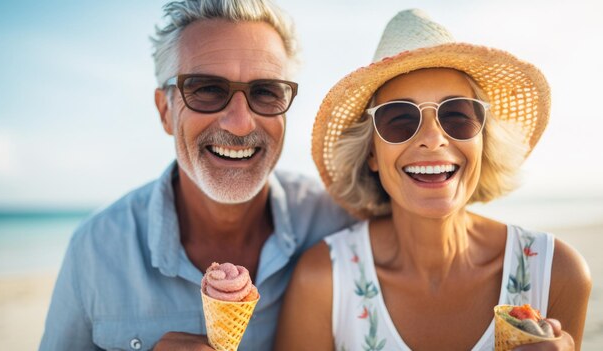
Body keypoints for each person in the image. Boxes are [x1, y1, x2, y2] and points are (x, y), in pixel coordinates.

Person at [39, 1, 355, 350]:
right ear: (164, 111)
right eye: (207, 89)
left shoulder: (336, 226)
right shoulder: (96, 251)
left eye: (265, 92)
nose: (239, 122)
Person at [275, 9, 591, 351]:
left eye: (457, 116)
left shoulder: (557, 272)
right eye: (399, 119)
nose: (433, 138)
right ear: (370, 153)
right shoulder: (324, 281)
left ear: (484, 141)